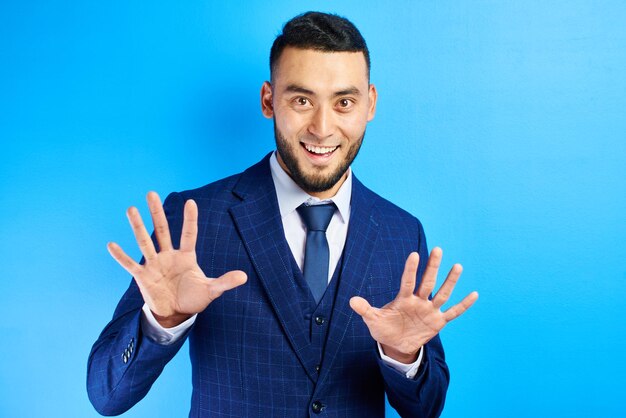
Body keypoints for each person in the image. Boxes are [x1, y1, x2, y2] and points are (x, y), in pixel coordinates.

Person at [87, 11, 478, 418]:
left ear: (370, 104)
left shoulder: (402, 233)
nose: (323, 128)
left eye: (344, 102)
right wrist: (163, 320)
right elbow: (106, 395)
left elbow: (426, 408)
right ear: (269, 101)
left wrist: (403, 354)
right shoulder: (195, 220)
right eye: (302, 100)